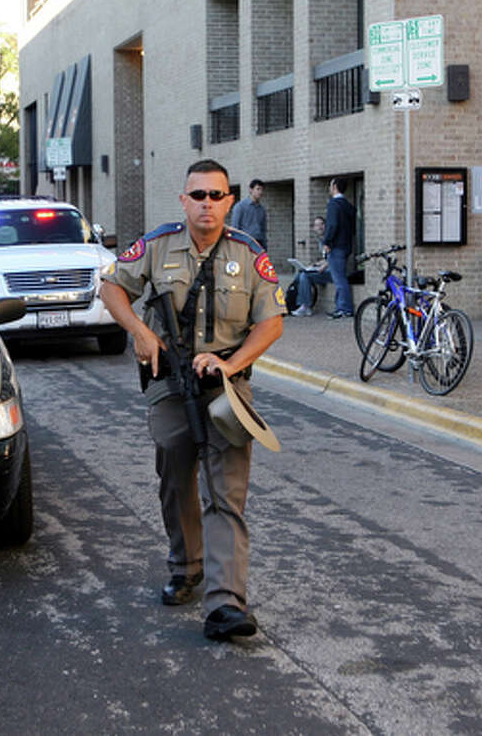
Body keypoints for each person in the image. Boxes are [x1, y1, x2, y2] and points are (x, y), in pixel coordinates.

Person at [100, 159, 285, 641]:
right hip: (169, 378)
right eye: (198, 195)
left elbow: (271, 322)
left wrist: (229, 363)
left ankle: (226, 603)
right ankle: (186, 565)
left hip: (226, 384)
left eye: (217, 195)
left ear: (229, 200)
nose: (207, 204)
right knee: (174, 473)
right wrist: (139, 331)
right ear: (183, 200)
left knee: (226, 492)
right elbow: (112, 287)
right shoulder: (158, 245)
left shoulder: (248, 254)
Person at [322, 177, 357, 319]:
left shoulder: (333, 205)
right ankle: (340, 306)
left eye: (331, 185)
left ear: (335, 187)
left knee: (339, 278)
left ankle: (344, 308)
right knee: (340, 276)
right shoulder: (348, 206)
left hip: (336, 246)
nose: (330, 188)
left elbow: (332, 225)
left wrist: (327, 242)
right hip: (347, 245)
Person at [290, 216, 329, 316]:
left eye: (321, 224)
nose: (319, 227)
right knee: (300, 274)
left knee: (305, 276)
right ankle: (297, 303)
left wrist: (323, 267)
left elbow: (333, 259)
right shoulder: (321, 240)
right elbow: (326, 258)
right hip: (323, 269)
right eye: (316, 225)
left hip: (330, 272)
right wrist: (316, 264)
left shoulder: (329, 239)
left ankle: (306, 306)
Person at [229, 179, 267, 250]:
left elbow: (263, 230)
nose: (260, 192)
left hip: (259, 243)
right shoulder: (240, 207)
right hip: (245, 243)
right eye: (258, 189)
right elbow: (235, 228)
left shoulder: (262, 209)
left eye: (262, 190)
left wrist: (264, 247)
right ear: (251, 190)